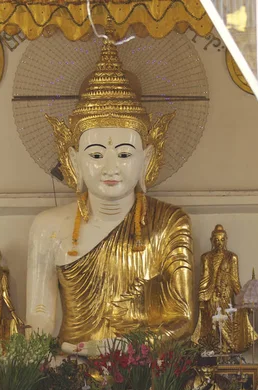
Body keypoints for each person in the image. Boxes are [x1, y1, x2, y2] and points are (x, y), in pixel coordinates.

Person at [26, 38, 194, 357]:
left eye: (124, 153)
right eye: (96, 154)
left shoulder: (170, 224)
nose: (110, 167)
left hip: (143, 369)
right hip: (70, 366)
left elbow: (182, 318)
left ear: (147, 159)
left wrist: (125, 347)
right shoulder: (46, 226)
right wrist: (41, 360)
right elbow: (39, 315)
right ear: (73, 160)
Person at [191, 225, 257, 353]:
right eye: (216, 240)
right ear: (212, 241)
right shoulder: (206, 257)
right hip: (211, 295)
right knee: (212, 323)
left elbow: (235, 281)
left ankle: (226, 348)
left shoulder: (232, 257)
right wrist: (201, 298)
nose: (219, 243)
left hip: (226, 294)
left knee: (226, 321)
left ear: (225, 240)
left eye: (221, 240)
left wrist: (244, 300)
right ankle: (214, 349)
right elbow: (204, 278)